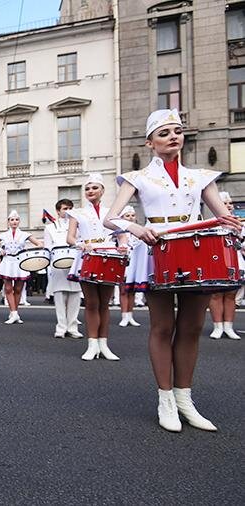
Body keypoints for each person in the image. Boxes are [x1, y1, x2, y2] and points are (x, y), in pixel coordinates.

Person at [104, 109, 240, 432]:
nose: (173, 137)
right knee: (163, 327)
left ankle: (185, 399)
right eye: (164, 133)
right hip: (158, 251)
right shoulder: (138, 179)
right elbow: (111, 217)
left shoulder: (199, 177)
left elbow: (222, 217)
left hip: (195, 253)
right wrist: (137, 231)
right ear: (150, 142)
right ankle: (165, 399)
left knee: (192, 327)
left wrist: (233, 226)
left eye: (177, 131)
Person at [67, 173, 126, 361]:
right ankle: (92, 344)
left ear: (102, 190)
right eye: (87, 188)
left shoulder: (113, 212)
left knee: (105, 303)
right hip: (88, 256)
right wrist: (80, 244)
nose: (90, 191)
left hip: (110, 256)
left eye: (94, 187)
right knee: (92, 302)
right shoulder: (77, 213)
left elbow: (121, 233)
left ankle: (104, 344)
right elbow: (70, 237)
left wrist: (123, 245)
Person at [0, 210, 43, 324]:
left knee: (18, 289)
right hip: (8, 262)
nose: (14, 222)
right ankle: (14, 313)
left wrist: (28, 252)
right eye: (12, 220)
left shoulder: (25, 234)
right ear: (8, 222)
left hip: (20, 262)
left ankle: (15, 312)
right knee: (8, 289)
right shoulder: (3, 235)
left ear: (19, 221)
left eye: (16, 219)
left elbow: (40, 244)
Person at [44, 199, 84, 338]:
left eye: (70, 208)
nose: (68, 211)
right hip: (58, 264)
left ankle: (73, 327)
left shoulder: (79, 226)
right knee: (60, 297)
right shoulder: (49, 228)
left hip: (75, 262)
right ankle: (61, 327)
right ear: (58, 211)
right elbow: (47, 248)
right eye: (65, 208)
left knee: (75, 296)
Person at [206, 192, 241, 339]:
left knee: (231, 294)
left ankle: (229, 327)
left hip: (235, 260)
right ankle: (217, 326)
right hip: (215, 261)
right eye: (224, 203)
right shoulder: (210, 222)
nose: (228, 206)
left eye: (230, 203)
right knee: (215, 294)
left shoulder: (239, 222)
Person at [118, 206, 145, 327]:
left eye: (132, 215)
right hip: (124, 262)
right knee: (123, 291)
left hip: (135, 262)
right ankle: (124, 316)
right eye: (127, 216)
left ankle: (130, 315)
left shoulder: (140, 230)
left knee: (132, 290)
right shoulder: (119, 231)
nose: (130, 218)